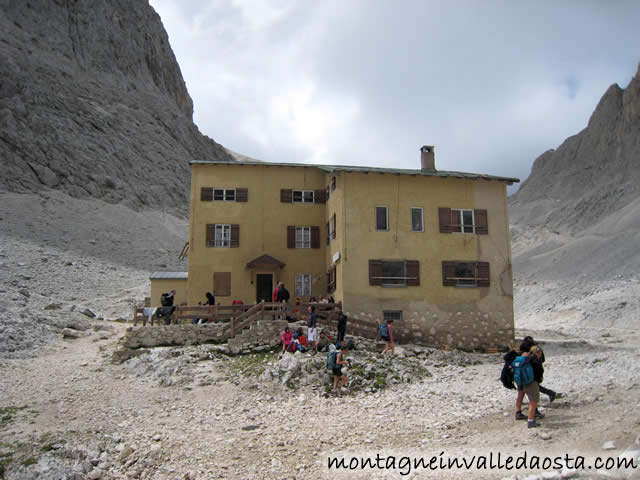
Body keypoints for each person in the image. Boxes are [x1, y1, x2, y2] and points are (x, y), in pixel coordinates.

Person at [515, 345, 545, 428]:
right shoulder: (535, 360)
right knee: (533, 401)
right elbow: (539, 372)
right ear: (538, 353)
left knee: (524, 398)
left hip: (522, 382)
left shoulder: (526, 358)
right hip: (532, 383)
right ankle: (531, 421)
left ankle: (521, 414)